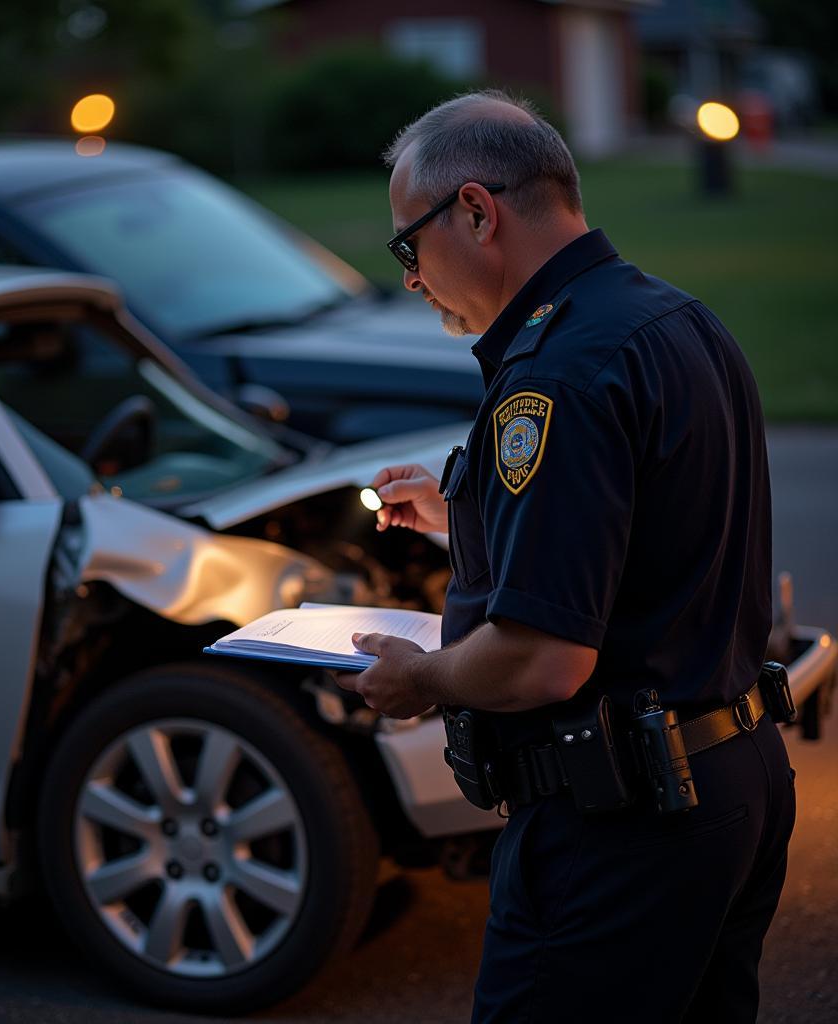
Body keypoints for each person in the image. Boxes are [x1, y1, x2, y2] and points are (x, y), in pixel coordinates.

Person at [334, 90, 795, 1023]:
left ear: (475, 210)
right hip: (734, 780)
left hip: (623, 825)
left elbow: (544, 660)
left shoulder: (554, 374)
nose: (413, 279)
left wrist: (421, 677)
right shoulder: (672, 319)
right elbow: (656, 528)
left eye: (406, 245)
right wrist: (464, 510)